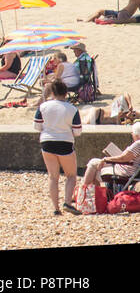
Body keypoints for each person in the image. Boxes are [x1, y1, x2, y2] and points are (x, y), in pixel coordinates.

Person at [34, 79, 82, 215]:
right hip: (65, 142)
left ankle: (56, 208)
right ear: (66, 93)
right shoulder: (72, 109)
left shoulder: (43, 107)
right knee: (71, 175)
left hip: (47, 141)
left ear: (52, 92)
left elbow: (37, 126)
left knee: (53, 177)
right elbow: (77, 131)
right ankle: (67, 202)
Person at [79, 121, 140, 200]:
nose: (131, 135)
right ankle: (96, 198)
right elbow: (127, 158)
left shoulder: (138, 144)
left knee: (93, 166)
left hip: (124, 171)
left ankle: (83, 194)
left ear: (136, 134)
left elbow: (123, 158)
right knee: (94, 166)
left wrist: (106, 159)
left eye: (132, 133)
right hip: (128, 168)